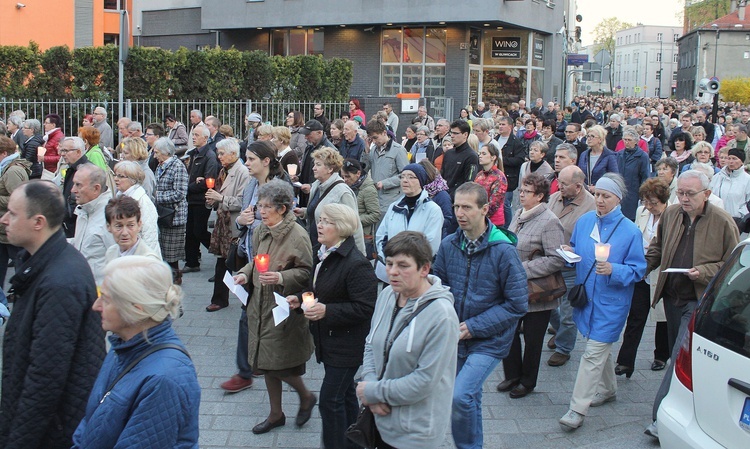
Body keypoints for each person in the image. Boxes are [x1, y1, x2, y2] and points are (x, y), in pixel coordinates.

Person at [0, 181, 105, 449]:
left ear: (38, 222)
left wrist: (17, 441)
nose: (3, 219)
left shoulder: (60, 281)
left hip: (54, 431)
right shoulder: (43, 265)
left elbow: (45, 378)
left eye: (12, 213)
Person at [644, 170, 740, 438]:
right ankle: (690, 407)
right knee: (683, 360)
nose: (684, 198)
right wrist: (640, 267)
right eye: (681, 192)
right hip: (672, 296)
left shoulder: (722, 221)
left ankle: (658, 418)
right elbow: (658, 247)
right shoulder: (672, 214)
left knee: (676, 357)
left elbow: (732, 262)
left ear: (707, 195)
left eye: (690, 194)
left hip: (699, 300)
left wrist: (704, 271)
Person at [432, 182, 528, 449]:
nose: (459, 213)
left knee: (460, 395)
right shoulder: (449, 244)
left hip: (489, 339)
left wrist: (473, 326)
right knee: (468, 397)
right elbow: (438, 288)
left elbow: (517, 304)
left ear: (485, 209)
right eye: (456, 207)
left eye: (467, 207)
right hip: (455, 337)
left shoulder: (504, 251)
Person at [72, 256, 200, 448]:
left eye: (105, 299)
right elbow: (91, 420)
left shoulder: (163, 379)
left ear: (135, 309)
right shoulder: (122, 347)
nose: (96, 306)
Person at [559, 173, 646, 431]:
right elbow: (574, 247)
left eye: (605, 196)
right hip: (587, 298)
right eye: (597, 194)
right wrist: (569, 255)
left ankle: (577, 409)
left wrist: (614, 270)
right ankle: (608, 389)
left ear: (617, 199)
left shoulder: (630, 231)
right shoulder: (586, 221)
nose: (599, 200)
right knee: (598, 349)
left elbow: (638, 269)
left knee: (592, 354)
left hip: (612, 303)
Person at [357, 231, 459, 449]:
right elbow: (371, 344)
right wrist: (372, 384)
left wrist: (373, 392)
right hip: (380, 418)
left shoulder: (442, 315)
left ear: (424, 269)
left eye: (403, 265)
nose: (393, 272)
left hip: (415, 432)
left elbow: (424, 381)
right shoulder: (387, 295)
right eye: (390, 263)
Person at [287, 203, 377, 449]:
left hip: (347, 345)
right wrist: (299, 298)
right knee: (346, 394)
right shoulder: (324, 252)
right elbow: (318, 289)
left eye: (327, 221)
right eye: (320, 220)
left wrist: (327, 310)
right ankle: (354, 442)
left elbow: (365, 308)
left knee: (329, 399)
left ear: (342, 227)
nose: (320, 225)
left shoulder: (355, 263)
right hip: (329, 340)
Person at [234, 179, 316, 434]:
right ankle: (276, 413)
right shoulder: (262, 230)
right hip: (259, 304)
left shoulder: (298, 235)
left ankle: (305, 396)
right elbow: (256, 261)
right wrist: (244, 274)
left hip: (284, 308)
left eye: (268, 206)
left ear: (282, 208)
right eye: (260, 205)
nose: (262, 211)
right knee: (266, 360)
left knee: (276, 362)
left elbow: (307, 273)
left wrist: (280, 277)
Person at [219, 140, 291, 393]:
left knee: (262, 315)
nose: (246, 163)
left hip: (272, 262)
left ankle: (250, 370)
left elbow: (287, 226)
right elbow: (243, 219)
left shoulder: (280, 187)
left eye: (250, 159)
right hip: (251, 258)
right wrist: (241, 220)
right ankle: (254, 366)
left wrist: (258, 223)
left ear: (266, 161)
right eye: (246, 159)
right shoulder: (251, 184)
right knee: (251, 313)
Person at [498, 173, 565, 398]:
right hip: (513, 289)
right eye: (521, 190)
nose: (521, 195)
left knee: (533, 340)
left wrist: (522, 269)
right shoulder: (518, 213)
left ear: (539, 196)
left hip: (537, 293)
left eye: (526, 192)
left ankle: (527, 381)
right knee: (508, 332)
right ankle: (512, 375)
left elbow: (556, 259)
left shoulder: (550, 221)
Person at [614, 178, 671, 378]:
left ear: (663, 200)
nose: (648, 206)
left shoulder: (672, 215)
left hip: (662, 272)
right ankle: (625, 362)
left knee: (662, 319)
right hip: (641, 271)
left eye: (653, 203)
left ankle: (661, 355)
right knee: (636, 317)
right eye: (645, 202)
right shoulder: (641, 212)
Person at [546, 165, 596, 367]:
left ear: (578, 186)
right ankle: (559, 331)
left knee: (568, 312)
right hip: (551, 261)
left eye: (564, 184)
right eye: (559, 182)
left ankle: (564, 348)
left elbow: (594, 239)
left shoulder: (591, 206)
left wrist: (577, 249)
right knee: (546, 304)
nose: (559, 186)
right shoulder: (555, 197)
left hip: (572, 266)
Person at [204, 138, 250, 312]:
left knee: (239, 262)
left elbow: (241, 202)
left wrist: (220, 199)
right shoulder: (224, 170)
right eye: (218, 153)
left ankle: (246, 298)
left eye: (222, 153)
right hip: (222, 223)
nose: (219, 156)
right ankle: (220, 299)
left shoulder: (242, 172)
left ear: (233, 154)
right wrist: (212, 201)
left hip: (234, 224)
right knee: (222, 262)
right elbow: (217, 196)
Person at [294, 147, 365, 254]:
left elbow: (355, 226)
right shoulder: (317, 185)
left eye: (318, 165)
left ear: (330, 169)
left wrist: (360, 256)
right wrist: (305, 212)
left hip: (333, 251)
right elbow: (320, 209)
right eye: (314, 164)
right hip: (315, 247)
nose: (313, 168)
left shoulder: (342, 192)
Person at [375, 162, 444, 262]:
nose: (405, 181)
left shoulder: (433, 210)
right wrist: (389, 259)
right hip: (391, 267)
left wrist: (407, 263)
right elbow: (381, 236)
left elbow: (431, 245)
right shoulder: (394, 207)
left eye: (411, 177)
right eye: (402, 177)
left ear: (421, 181)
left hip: (416, 268)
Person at [71, 164, 116, 285]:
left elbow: (118, 262)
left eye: (78, 185)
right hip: (83, 286)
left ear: (96, 188)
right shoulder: (84, 209)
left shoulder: (111, 217)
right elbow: (83, 244)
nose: (73, 190)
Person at [183, 125, 219, 273]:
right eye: (193, 134)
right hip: (191, 199)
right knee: (190, 231)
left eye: (197, 135)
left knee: (199, 231)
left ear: (205, 137)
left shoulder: (209, 156)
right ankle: (191, 262)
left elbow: (208, 181)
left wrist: (189, 186)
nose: (193, 137)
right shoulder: (192, 154)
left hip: (201, 200)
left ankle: (219, 250)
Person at [153, 137, 189, 284]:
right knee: (164, 252)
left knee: (172, 255)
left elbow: (180, 193)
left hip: (174, 217)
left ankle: (175, 280)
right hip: (163, 214)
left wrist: (157, 197)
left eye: (156, 152)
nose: (154, 156)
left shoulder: (177, 166)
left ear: (166, 152)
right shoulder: (160, 165)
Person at [113, 161, 161, 259]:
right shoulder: (119, 197)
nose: (116, 179)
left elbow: (149, 235)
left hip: (141, 257)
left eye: (121, 176)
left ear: (132, 180)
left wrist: (147, 260)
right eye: (115, 175)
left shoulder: (143, 201)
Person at [0, 136, 30, 283]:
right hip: (5, 229)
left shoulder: (12, 171)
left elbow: (19, 199)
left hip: (11, 227)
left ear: (4, 153)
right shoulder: (6, 167)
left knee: (20, 268)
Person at [364, 119, 409, 215]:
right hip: (376, 199)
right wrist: (366, 152)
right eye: (371, 139)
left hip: (392, 200)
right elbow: (364, 169)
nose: (374, 141)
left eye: (376, 137)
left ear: (384, 133)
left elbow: (406, 176)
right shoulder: (373, 150)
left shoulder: (399, 150)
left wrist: (385, 183)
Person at [341, 158, 380, 258]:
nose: (345, 180)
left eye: (348, 176)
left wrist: (354, 221)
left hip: (363, 237)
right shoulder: (350, 186)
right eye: (343, 176)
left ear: (358, 174)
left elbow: (375, 215)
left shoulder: (368, 190)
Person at [104, 196, 161, 261]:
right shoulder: (111, 253)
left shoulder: (149, 260)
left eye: (130, 225)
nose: (124, 233)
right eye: (119, 226)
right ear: (108, 226)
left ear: (139, 225)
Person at [495, 116, 527, 225]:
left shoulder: (516, 142)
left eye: (503, 124)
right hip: (495, 176)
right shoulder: (495, 139)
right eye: (499, 124)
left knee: (505, 203)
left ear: (510, 126)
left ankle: (508, 226)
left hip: (509, 177)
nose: (500, 126)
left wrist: (502, 160)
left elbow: (519, 159)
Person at [616, 128, 651, 221]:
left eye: (629, 140)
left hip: (633, 193)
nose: (626, 142)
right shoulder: (619, 154)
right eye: (625, 139)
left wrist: (643, 195)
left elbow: (645, 176)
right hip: (619, 192)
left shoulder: (642, 156)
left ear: (636, 141)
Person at [709, 148, 750, 220]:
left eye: (734, 159)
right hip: (716, 218)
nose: (731, 161)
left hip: (737, 220)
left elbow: (748, 203)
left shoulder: (747, 180)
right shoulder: (717, 177)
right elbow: (710, 196)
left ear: (742, 162)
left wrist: (741, 214)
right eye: (729, 158)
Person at [419, 158, 456, 238]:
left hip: (437, 236)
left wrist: (430, 221)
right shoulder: (420, 192)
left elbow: (448, 219)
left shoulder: (442, 194)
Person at [441, 120, 478, 197]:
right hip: (444, 196)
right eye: (451, 132)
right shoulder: (448, 153)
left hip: (459, 198)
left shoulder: (471, 156)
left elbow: (469, 182)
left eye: (455, 133)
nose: (452, 136)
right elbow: (442, 176)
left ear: (465, 135)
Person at [474, 141, 507, 227]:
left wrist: (478, 215)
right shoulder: (479, 175)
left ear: (493, 157)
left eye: (484, 154)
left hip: (494, 222)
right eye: (480, 153)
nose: (480, 156)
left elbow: (494, 203)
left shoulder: (499, 177)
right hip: (479, 218)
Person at [578, 125, 618, 191]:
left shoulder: (610, 156)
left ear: (600, 139)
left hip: (601, 193)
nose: (589, 138)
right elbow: (579, 174)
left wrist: (597, 187)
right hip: (584, 193)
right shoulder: (584, 155)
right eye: (588, 136)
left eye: (592, 136)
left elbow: (614, 178)